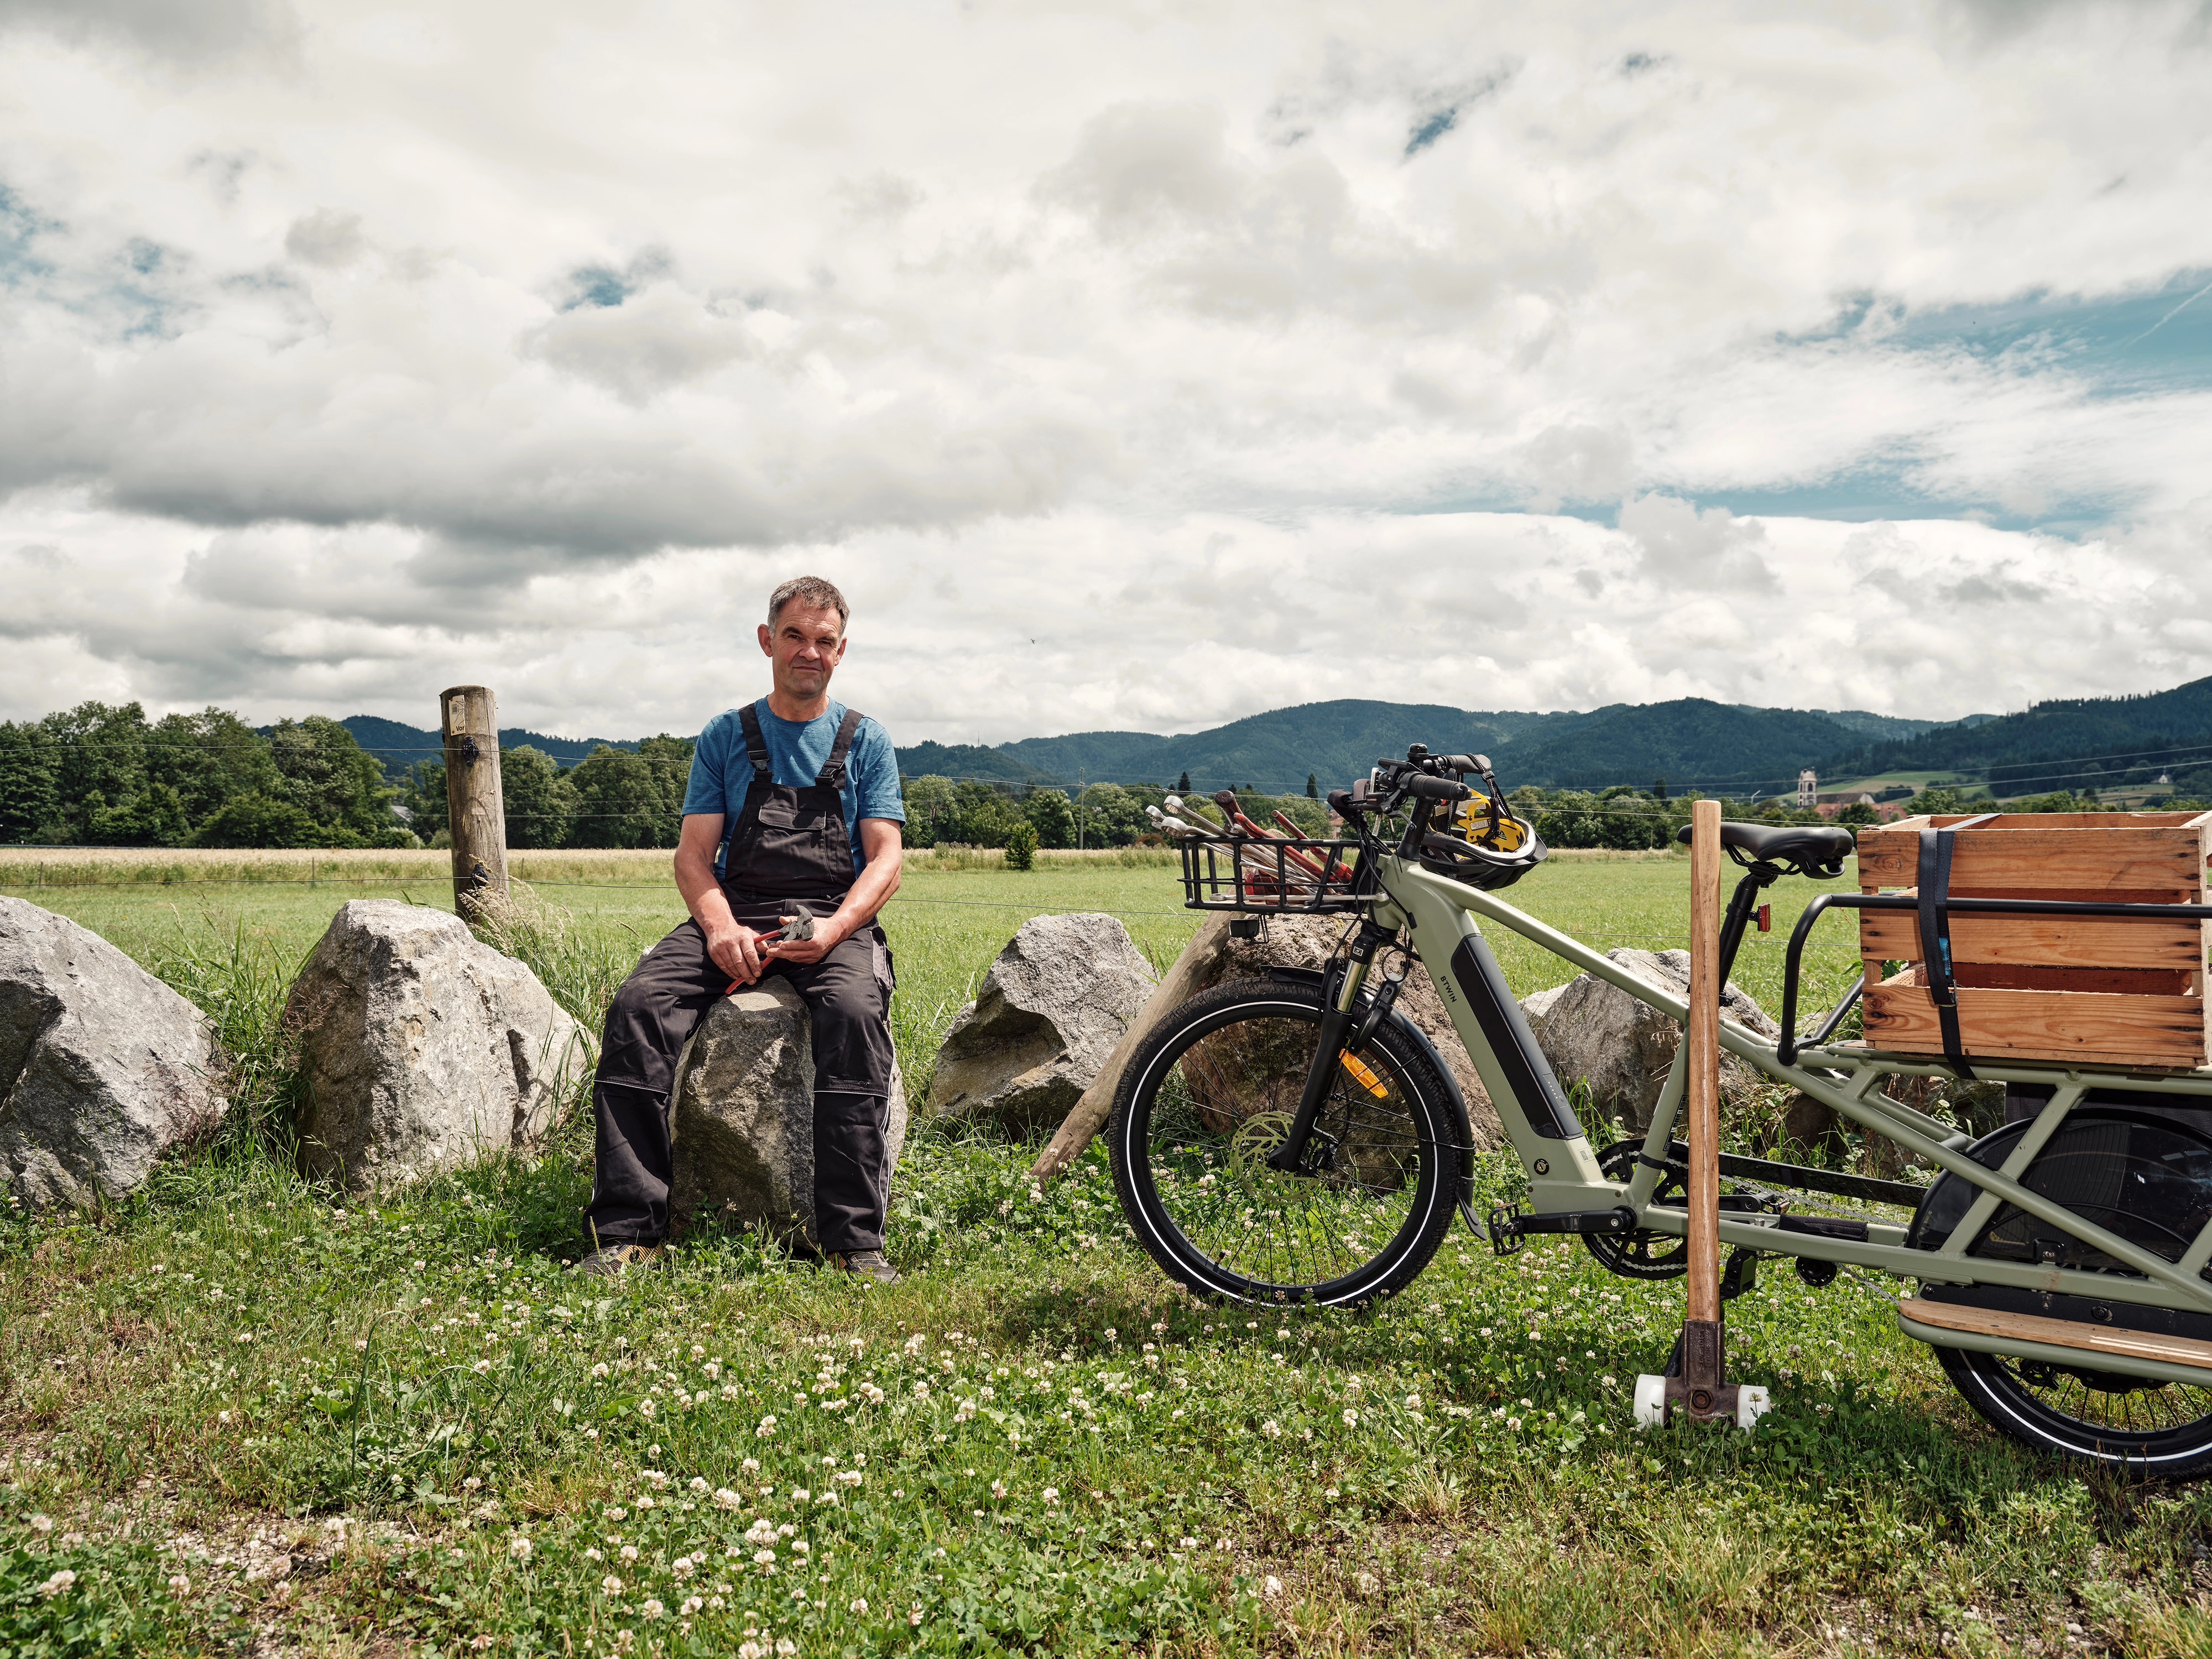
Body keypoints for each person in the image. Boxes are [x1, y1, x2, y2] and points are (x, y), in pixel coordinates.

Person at [576, 575, 906, 1281]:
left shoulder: (866, 740)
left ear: (841, 651)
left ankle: (853, 1242)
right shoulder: (728, 736)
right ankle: (630, 1233)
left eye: (823, 641)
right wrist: (721, 930)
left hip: (831, 914)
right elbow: (694, 857)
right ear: (767, 641)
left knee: (852, 1013)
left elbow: (885, 860)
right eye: (794, 636)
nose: (808, 652)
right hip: (738, 906)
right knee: (640, 1008)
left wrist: (837, 928)